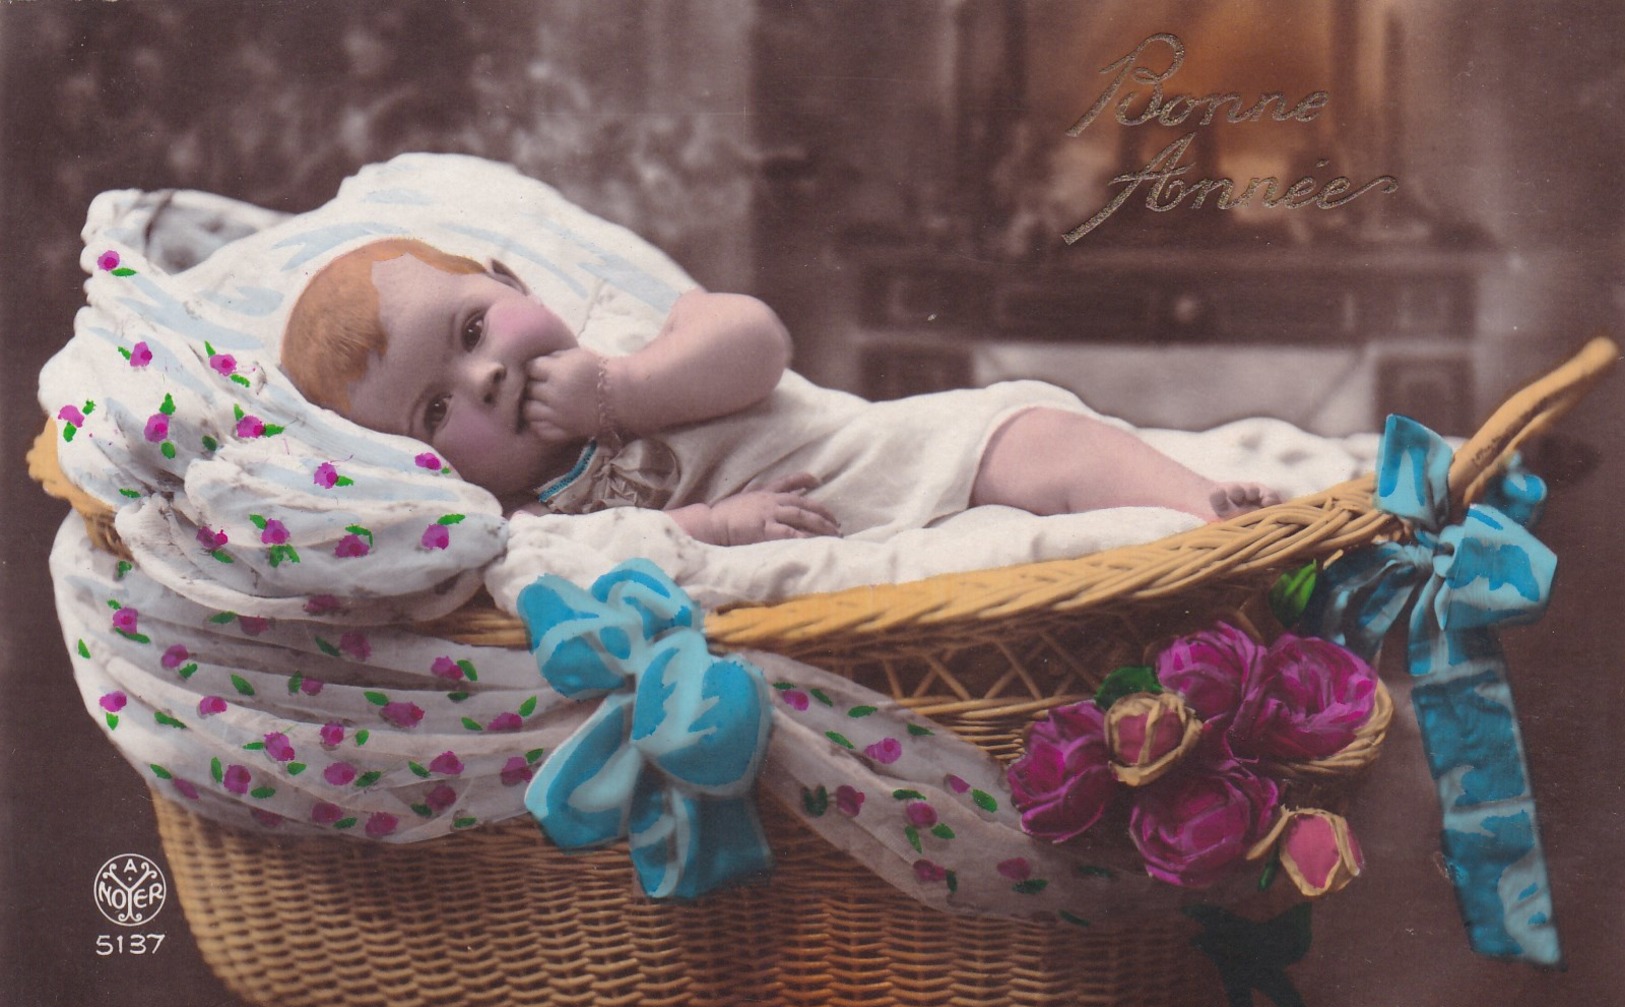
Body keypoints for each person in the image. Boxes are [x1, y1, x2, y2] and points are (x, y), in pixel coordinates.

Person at [280, 238, 1279, 546]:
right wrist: (713, 525)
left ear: (511, 283)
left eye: (469, 331)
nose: (483, 376)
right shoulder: (528, 521)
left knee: (1048, 443)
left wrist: (624, 392)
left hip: (888, 459)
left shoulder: (619, 340)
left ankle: (1216, 521)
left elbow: (754, 343)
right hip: (846, 544)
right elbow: (623, 559)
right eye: (434, 410)